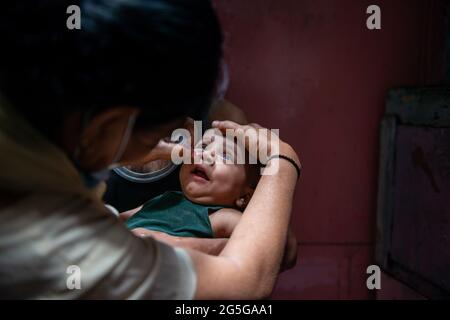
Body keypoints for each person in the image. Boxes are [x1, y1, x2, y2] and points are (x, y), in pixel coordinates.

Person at [0, 0, 301, 299]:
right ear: (109, 125)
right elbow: (244, 282)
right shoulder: (60, 238)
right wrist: (282, 162)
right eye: (153, 137)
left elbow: (282, 248)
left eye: (224, 155)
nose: (205, 153)